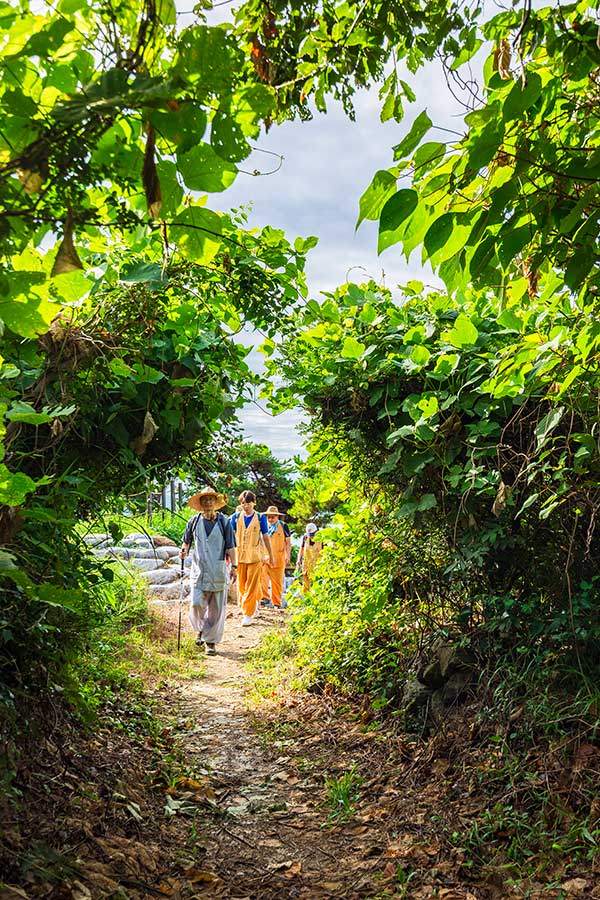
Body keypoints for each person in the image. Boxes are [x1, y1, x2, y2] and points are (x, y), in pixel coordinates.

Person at [179, 486, 236, 655]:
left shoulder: (224, 522)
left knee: (216, 608)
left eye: (211, 500)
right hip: (199, 569)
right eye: (205, 500)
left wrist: (235, 566)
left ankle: (210, 642)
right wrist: (183, 551)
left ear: (215, 503)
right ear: (201, 503)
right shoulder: (194, 521)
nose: (208, 503)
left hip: (218, 569)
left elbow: (231, 546)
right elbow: (186, 542)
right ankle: (200, 630)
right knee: (196, 603)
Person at [230, 490, 274, 626]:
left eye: (248, 503)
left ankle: (247, 614)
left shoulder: (260, 518)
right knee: (242, 586)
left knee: (252, 585)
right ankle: (252, 604)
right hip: (240, 556)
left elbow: (265, 537)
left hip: (255, 556)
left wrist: (270, 555)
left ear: (254, 503)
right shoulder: (235, 517)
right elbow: (230, 536)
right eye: (243, 503)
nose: (246, 506)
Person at [260, 505, 291, 609]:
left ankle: (276, 603)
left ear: (277, 517)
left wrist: (288, 555)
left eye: (273, 517)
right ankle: (264, 599)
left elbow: (288, 542)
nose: (271, 519)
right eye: (269, 517)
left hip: (279, 558)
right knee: (263, 579)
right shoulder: (263, 526)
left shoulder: (283, 526)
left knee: (277, 582)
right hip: (265, 558)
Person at [296, 522, 323, 591]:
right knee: (305, 585)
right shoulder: (305, 538)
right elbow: (301, 549)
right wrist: (298, 560)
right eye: (310, 535)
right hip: (306, 565)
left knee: (316, 586)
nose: (311, 536)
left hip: (318, 566)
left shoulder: (322, 539)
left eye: (313, 534)